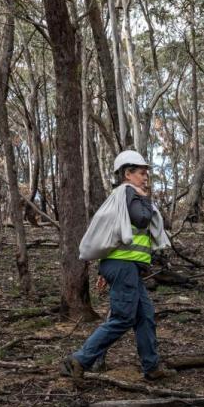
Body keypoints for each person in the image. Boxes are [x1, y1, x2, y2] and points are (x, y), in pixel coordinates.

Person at [61, 150, 176, 384]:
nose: (146, 178)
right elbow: (141, 219)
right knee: (124, 317)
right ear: (127, 174)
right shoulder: (128, 193)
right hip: (123, 266)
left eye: (146, 174)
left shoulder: (123, 196)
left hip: (126, 266)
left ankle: (151, 367)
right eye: (141, 173)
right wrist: (143, 197)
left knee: (145, 316)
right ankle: (80, 359)